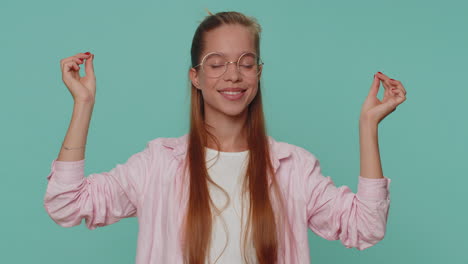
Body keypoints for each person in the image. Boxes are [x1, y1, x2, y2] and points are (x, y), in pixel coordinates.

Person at [44, 10, 407, 264]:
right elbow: (66, 203)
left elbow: (366, 227)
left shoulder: (293, 168)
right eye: (217, 64)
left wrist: (368, 126)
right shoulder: (158, 165)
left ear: (258, 74)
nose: (233, 75)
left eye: (246, 63)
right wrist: (84, 103)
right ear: (195, 77)